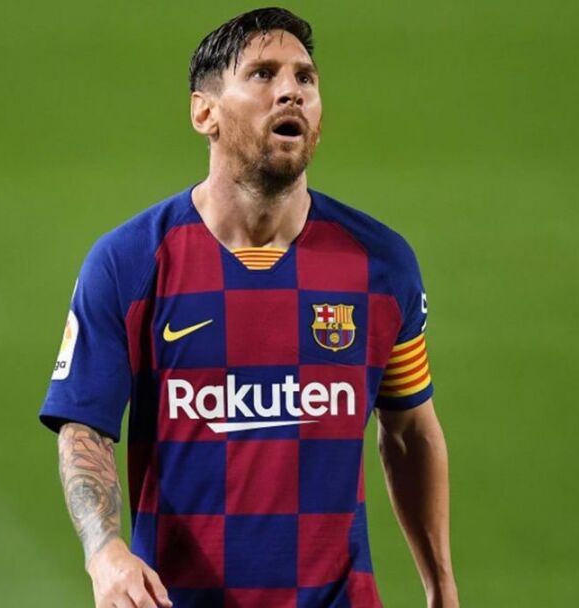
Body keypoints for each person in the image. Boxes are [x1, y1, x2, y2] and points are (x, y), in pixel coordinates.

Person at [39, 7, 460, 607]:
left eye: (305, 78)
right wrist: (104, 552)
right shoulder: (129, 263)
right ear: (203, 113)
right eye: (263, 74)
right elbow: (85, 426)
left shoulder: (381, 266)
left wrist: (442, 587)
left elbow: (411, 430)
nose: (291, 91)